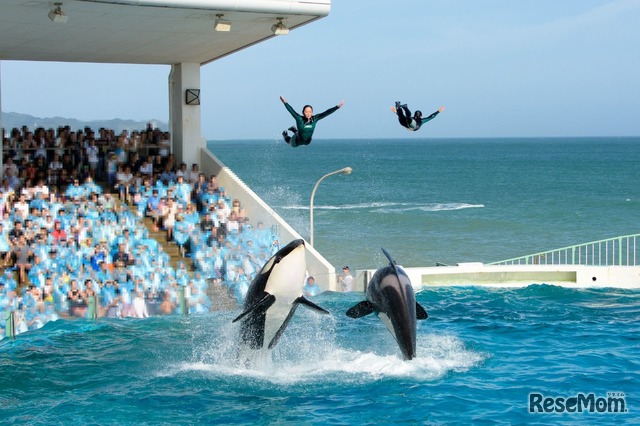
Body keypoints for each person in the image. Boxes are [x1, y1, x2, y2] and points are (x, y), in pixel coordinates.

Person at [280, 96, 344, 147]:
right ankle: (285, 135)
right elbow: (291, 111)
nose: (308, 113)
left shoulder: (315, 118)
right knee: (291, 143)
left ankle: (295, 130)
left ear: (312, 112)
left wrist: (337, 107)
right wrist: (285, 103)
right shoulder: (299, 119)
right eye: (306, 112)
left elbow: (326, 113)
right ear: (303, 112)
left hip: (307, 141)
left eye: (310, 112)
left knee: (302, 136)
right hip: (297, 141)